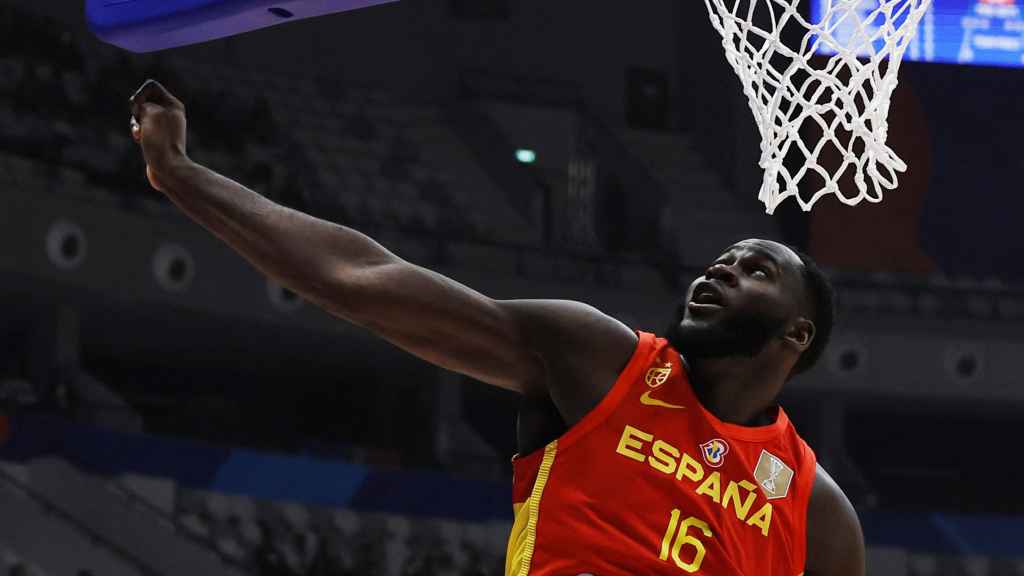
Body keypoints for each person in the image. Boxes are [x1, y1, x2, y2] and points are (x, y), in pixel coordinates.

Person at [129, 79, 864, 575]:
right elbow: (363, 281)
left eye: (755, 270)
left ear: (794, 336)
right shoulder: (601, 361)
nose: (720, 270)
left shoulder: (818, 514)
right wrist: (181, 175)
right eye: (722, 259)